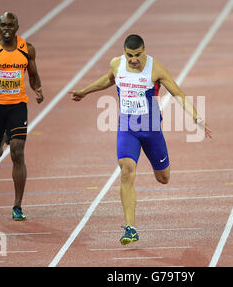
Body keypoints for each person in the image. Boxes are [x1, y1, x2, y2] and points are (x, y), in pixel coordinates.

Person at [69, 34, 212, 244]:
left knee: (163, 178)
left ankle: (155, 170)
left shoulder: (155, 69)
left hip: (151, 129)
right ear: (124, 52)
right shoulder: (117, 64)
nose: (133, 59)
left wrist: (196, 117)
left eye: (137, 55)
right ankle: (131, 228)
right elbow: (110, 78)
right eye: (129, 55)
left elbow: (178, 94)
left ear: (144, 51)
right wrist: (85, 91)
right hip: (127, 128)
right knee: (126, 170)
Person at [0, 12, 44, 220]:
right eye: (3, 25)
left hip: (17, 106)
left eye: (10, 25)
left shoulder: (26, 49)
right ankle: (4, 137)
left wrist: (37, 89)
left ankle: (17, 206)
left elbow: (33, 74)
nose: (6, 29)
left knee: (18, 151)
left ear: (17, 26)